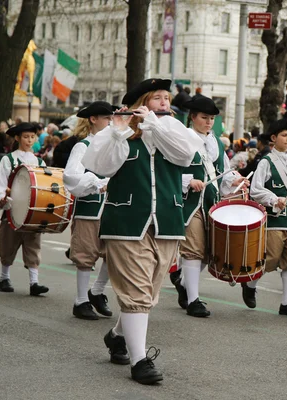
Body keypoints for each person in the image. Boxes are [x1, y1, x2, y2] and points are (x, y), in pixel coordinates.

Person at [81, 78, 203, 384]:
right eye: (157, 98)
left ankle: (117, 335)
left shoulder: (174, 130)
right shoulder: (119, 133)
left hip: (167, 222)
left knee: (147, 292)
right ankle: (140, 361)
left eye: (166, 98)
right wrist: (118, 129)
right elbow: (99, 165)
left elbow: (186, 155)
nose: (164, 102)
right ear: (141, 104)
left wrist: (155, 126)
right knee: (136, 290)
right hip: (126, 223)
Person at [174, 96, 248, 318]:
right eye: (204, 118)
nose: (208, 122)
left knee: (208, 252)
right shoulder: (182, 138)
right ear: (193, 117)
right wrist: (188, 181)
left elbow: (222, 172)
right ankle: (193, 299)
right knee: (194, 249)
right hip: (190, 203)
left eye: (212, 119)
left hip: (211, 201)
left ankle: (183, 283)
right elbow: (169, 170)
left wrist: (234, 179)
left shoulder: (215, 142)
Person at [244, 118, 287, 316]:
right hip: (274, 220)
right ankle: (249, 286)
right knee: (272, 258)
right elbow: (256, 190)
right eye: (284, 135)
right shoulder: (266, 162)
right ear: (273, 138)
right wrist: (274, 199)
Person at [63, 101, 116, 320]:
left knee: (114, 252)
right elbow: (71, 176)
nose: (110, 122)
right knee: (86, 254)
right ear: (93, 119)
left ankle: (96, 291)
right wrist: (96, 182)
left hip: (113, 207)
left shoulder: (115, 145)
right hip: (90, 207)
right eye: (106, 118)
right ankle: (80, 301)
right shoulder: (83, 146)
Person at [0, 123, 49, 296]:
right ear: (17, 138)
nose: (29, 140)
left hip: (32, 210)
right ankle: (3, 277)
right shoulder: (9, 159)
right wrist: (2, 198)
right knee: (8, 243)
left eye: (32, 137)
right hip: (12, 208)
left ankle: (34, 282)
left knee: (33, 245)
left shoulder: (39, 161)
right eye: (25, 137)